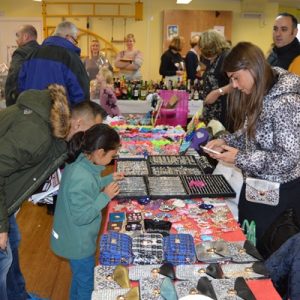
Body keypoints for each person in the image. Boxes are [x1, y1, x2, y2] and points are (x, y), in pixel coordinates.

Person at [0, 85, 106, 300]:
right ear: (77, 124)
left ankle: (17, 296)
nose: (95, 139)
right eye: (93, 131)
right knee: (3, 260)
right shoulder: (35, 133)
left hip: (6, 197)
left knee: (12, 243)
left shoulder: (56, 133)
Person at [204, 42, 300, 257]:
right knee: (250, 247)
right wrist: (226, 141)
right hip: (258, 189)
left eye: (236, 77)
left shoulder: (287, 102)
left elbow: (288, 159)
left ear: (252, 68)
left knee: (269, 254)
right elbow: (249, 133)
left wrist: (240, 158)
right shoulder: (262, 91)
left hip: (280, 196)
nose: (234, 85)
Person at [51, 123, 124, 300]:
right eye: (113, 155)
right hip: (78, 243)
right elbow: (82, 216)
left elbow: (89, 185)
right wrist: (105, 196)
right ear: (100, 152)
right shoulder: (80, 176)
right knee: (86, 284)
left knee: (79, 278)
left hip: (72, 235)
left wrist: (108, 178)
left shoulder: (81, 161)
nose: (114, 159)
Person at [18, 21, 90, 106]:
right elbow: (81, 93)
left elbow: (21, 85)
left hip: (32, 114)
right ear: (68, 37)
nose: (75, 43)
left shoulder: (32, 54)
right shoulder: (71, 58)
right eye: (75, 40)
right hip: (59, 116)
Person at [198, 30, 232, 130]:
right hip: (211, 113)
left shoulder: (226, 57)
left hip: (222, 113)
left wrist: (218, 92)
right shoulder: (213, 58)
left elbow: (237, 84)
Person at [5, 25, 39, 107]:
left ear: (25, 37)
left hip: (23, 103)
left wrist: (10, 101)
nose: (16, 40)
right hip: (40, 101)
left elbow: (14, 77)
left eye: (18, 36)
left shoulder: (20, 52)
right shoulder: (43, 51)